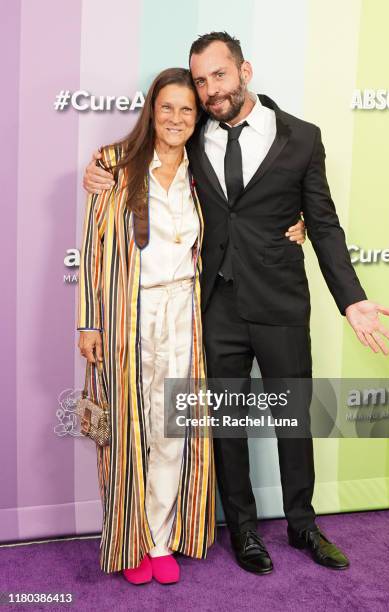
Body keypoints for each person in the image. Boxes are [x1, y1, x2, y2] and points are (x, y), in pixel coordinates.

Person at [82, 32, 389, 576]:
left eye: (218, 76)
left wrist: (352, 300)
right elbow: (145, 153)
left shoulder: (301, 138)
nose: (208, 91)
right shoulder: (191, 129)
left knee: (294, 419)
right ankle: (245, 531)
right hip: (214, 309)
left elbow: (321, 223)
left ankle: (303, 524)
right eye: (200, 81)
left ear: (244, 71)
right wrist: (102, 168)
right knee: (226, 426)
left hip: (279, 303)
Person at [77, 65, 306, 584]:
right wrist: (88, 324)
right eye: (167, 108)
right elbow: (94, 251)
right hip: (125, 319)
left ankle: (160, 541)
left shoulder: (203, 173)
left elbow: (251, 210)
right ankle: (129, 540)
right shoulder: (115, 165)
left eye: (187, 109)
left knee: (173, 432)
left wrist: (300, 223)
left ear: (197, 115)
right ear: (151, 112)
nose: (177, 118)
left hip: (187, 317)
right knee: (128, 433)